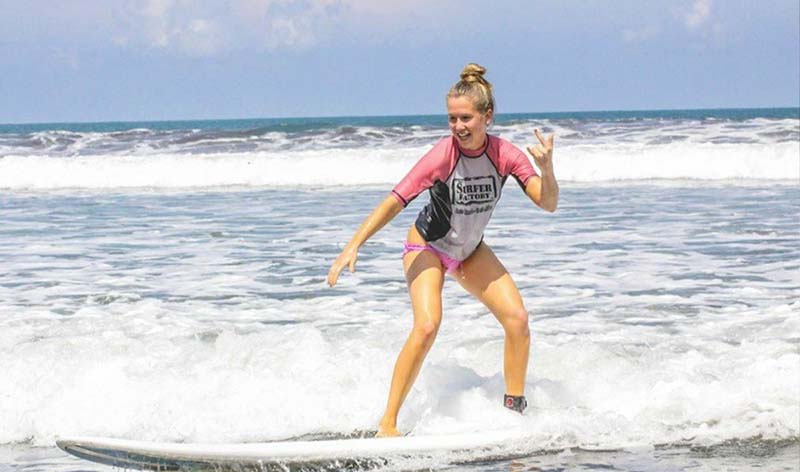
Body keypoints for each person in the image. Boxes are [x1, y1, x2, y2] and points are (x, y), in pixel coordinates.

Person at [327, 63, 559, 438]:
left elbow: (547, 203)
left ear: (487, 116)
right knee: (428, 325)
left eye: (465, 117)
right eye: (452, 118)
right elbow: (395, 199)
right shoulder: (442, 154)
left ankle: (514, 415)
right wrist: (352, 246)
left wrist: (547, 170)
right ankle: (387, 424)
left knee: (517, 319)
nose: (458, 126)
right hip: (427, 246)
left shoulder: (504, 154)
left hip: (469, 251)